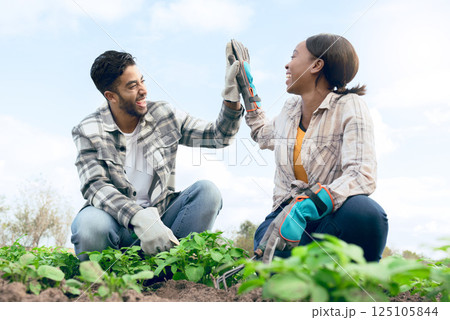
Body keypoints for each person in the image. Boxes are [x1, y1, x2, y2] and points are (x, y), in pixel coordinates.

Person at [71, 48, 243, 261]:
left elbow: (218, 136)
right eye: (132, 86)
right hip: (115, 223)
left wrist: (231, 98)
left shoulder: (164, 115)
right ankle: (105, 283)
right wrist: (139, 217)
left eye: (141, 81)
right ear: (111, 96)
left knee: (208, 192)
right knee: (90, 225)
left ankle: (172, 273)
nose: (143, 90)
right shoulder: (88, 129)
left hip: (162, 222)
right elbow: (95, 185)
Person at [234, 34, 388, 262]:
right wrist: (247, 91)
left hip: (332, 218)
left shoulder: (350, 106)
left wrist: (308, 205)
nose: (287, 64)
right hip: (286, 221)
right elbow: (261, 134)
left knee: (366, 213)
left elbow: (361, 175)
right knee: (268, 246)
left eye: (294, 56)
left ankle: (358, 278)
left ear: (317, 65)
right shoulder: (290, 109)